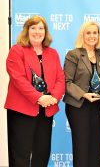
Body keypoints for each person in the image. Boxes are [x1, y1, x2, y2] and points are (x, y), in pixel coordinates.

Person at [4, 15, 65, 167]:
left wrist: (53, 98)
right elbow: (18, 79)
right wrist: (39, 98)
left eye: (41, 28)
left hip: (46, 110)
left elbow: (60, 78)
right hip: (22, 111)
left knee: (42, 153)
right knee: (20, 155)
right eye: (33, 28)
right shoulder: (16, 51)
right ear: (26, 31)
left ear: (45, 32)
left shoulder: (53, 53)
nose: (37, 32)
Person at [63, 22, 100, 167]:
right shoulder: (73, 54)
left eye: (95, 33)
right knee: (81, 146)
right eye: (88, 33)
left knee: (97, 146)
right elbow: (67, 82)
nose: (92, 36)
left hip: (98, 106)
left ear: (98, 35)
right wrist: (84, 94)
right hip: (79, 106)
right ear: (82, 35)